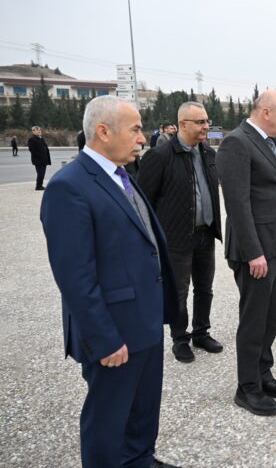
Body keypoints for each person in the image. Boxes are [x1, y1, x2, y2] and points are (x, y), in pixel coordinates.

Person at [39, 96, 180, 468]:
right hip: (114, 332)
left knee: (143, 411)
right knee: (108, 419)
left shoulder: (122, 176)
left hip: (145, 322)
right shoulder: (69, 187)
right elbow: (74, 276)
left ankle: (139, 459)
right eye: (135, 129)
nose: (142, 138)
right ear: (104, 131)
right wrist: (104, 338)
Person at [216, 89, 276, 417]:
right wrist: (254, 252)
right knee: (254, 320)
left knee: (269, 318)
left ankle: (263, 374)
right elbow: (237, 203)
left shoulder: (267, 140)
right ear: (265, 112)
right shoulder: (237, 142)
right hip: (256, 251)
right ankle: (247, 387)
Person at [138, 101, 223, 363]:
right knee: (179, 292)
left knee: (205, 288)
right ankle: (179, 338)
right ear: (183, 125)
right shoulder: (160, 156)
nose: (206, 126)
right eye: (200, 122)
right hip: (176, 238)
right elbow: (144, 201)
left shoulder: (209, 154)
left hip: (205, 234)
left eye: (207, 121)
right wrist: (152, 239)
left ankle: (201, 332)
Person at [28, 126, 51, 190]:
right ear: (33, 132)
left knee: (42, 173)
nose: (39, 131)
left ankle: (40, 185)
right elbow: (32, 150)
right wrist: (40, 156)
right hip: (38, 160)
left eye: (39, 130)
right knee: (40, 173)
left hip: (44, 160)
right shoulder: (32, 139)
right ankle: (38, 186)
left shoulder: (41, 138)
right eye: (37, 130)